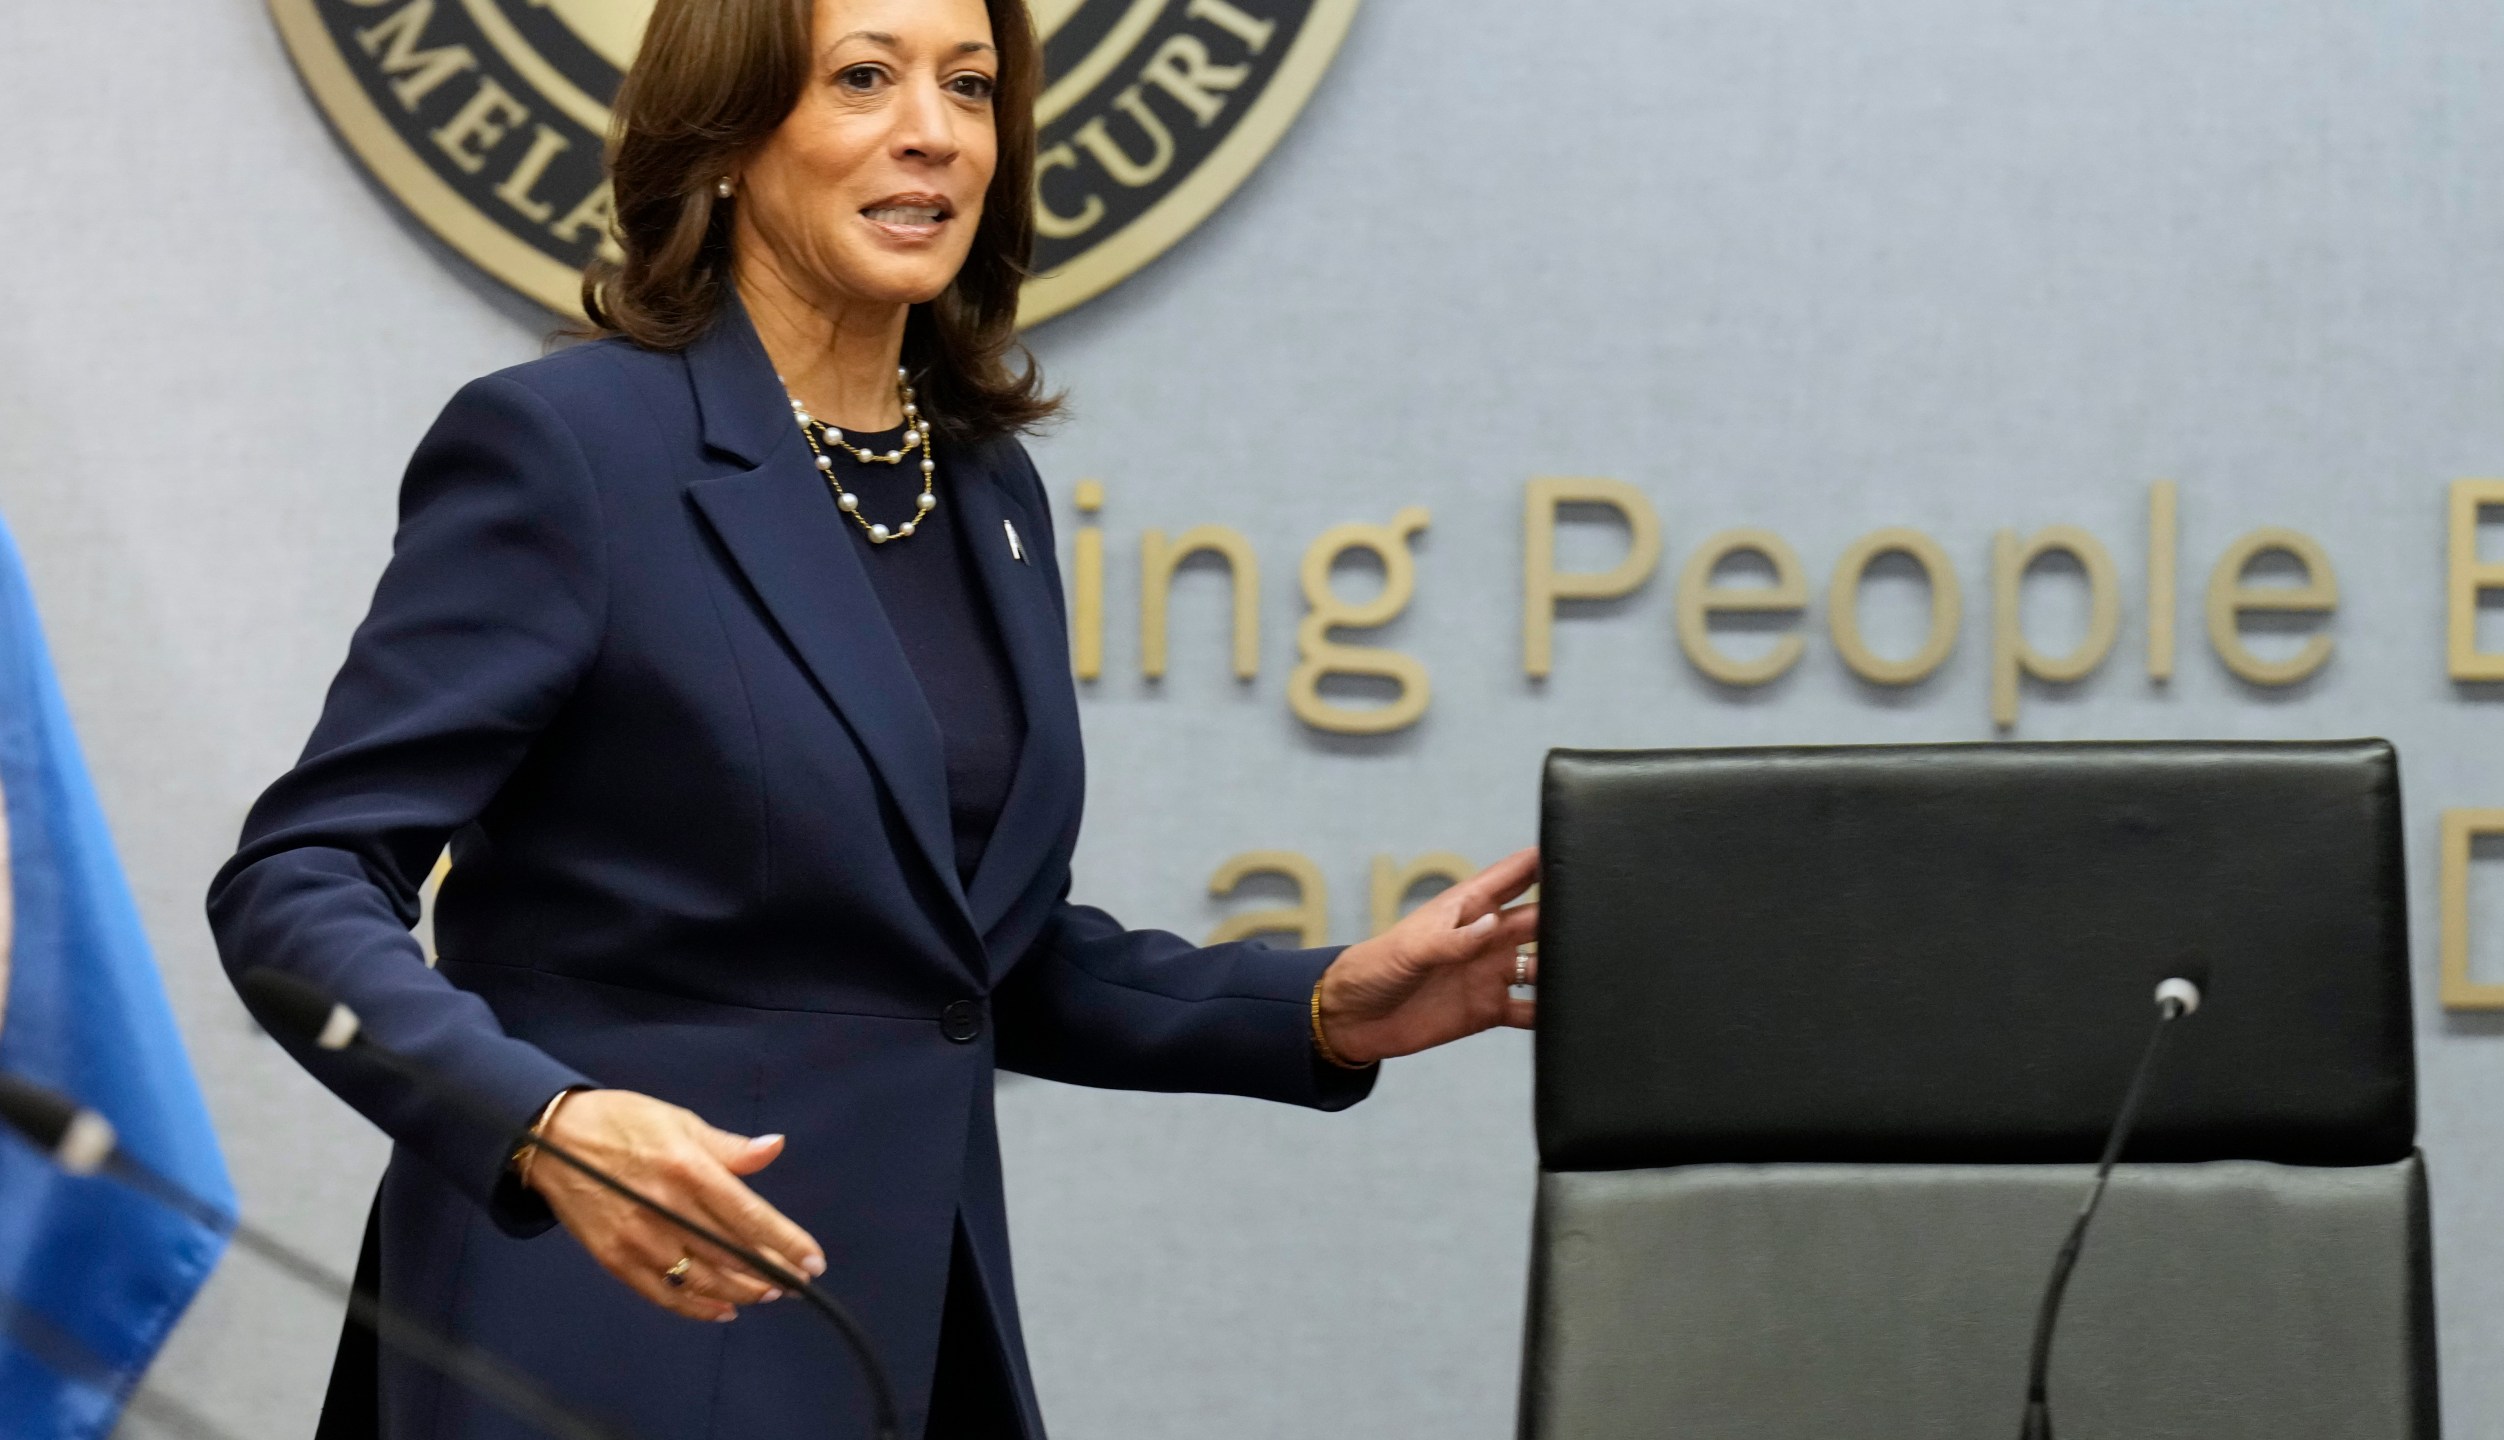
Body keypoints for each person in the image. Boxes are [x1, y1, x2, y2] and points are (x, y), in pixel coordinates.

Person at [206, 0, 1540, 1435]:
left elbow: (965, 965)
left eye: (970, 87)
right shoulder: (573, 452)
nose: (935, 130)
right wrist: (541, 1123)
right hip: (612, 1338)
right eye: (863, 79)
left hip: (903, 1344)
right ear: (726, 137)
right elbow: (298, 886)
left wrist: (1321, 1008)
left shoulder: (984, 490)